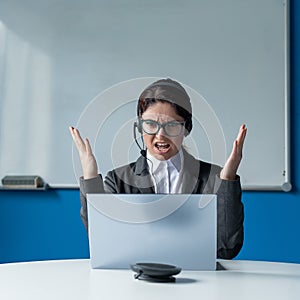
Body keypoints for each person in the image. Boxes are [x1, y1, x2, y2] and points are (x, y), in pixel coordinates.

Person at [70, 78, 247, 259]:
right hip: (136, 283)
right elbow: (104, 240)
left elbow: (227, 249)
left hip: (198, 281)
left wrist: (227, 181)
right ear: (139, 127)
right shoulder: (117, 180)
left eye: (171, 125)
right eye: (151, 124)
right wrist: (90, 176)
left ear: (187, 128)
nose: (160, 135)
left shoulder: (213, 177)